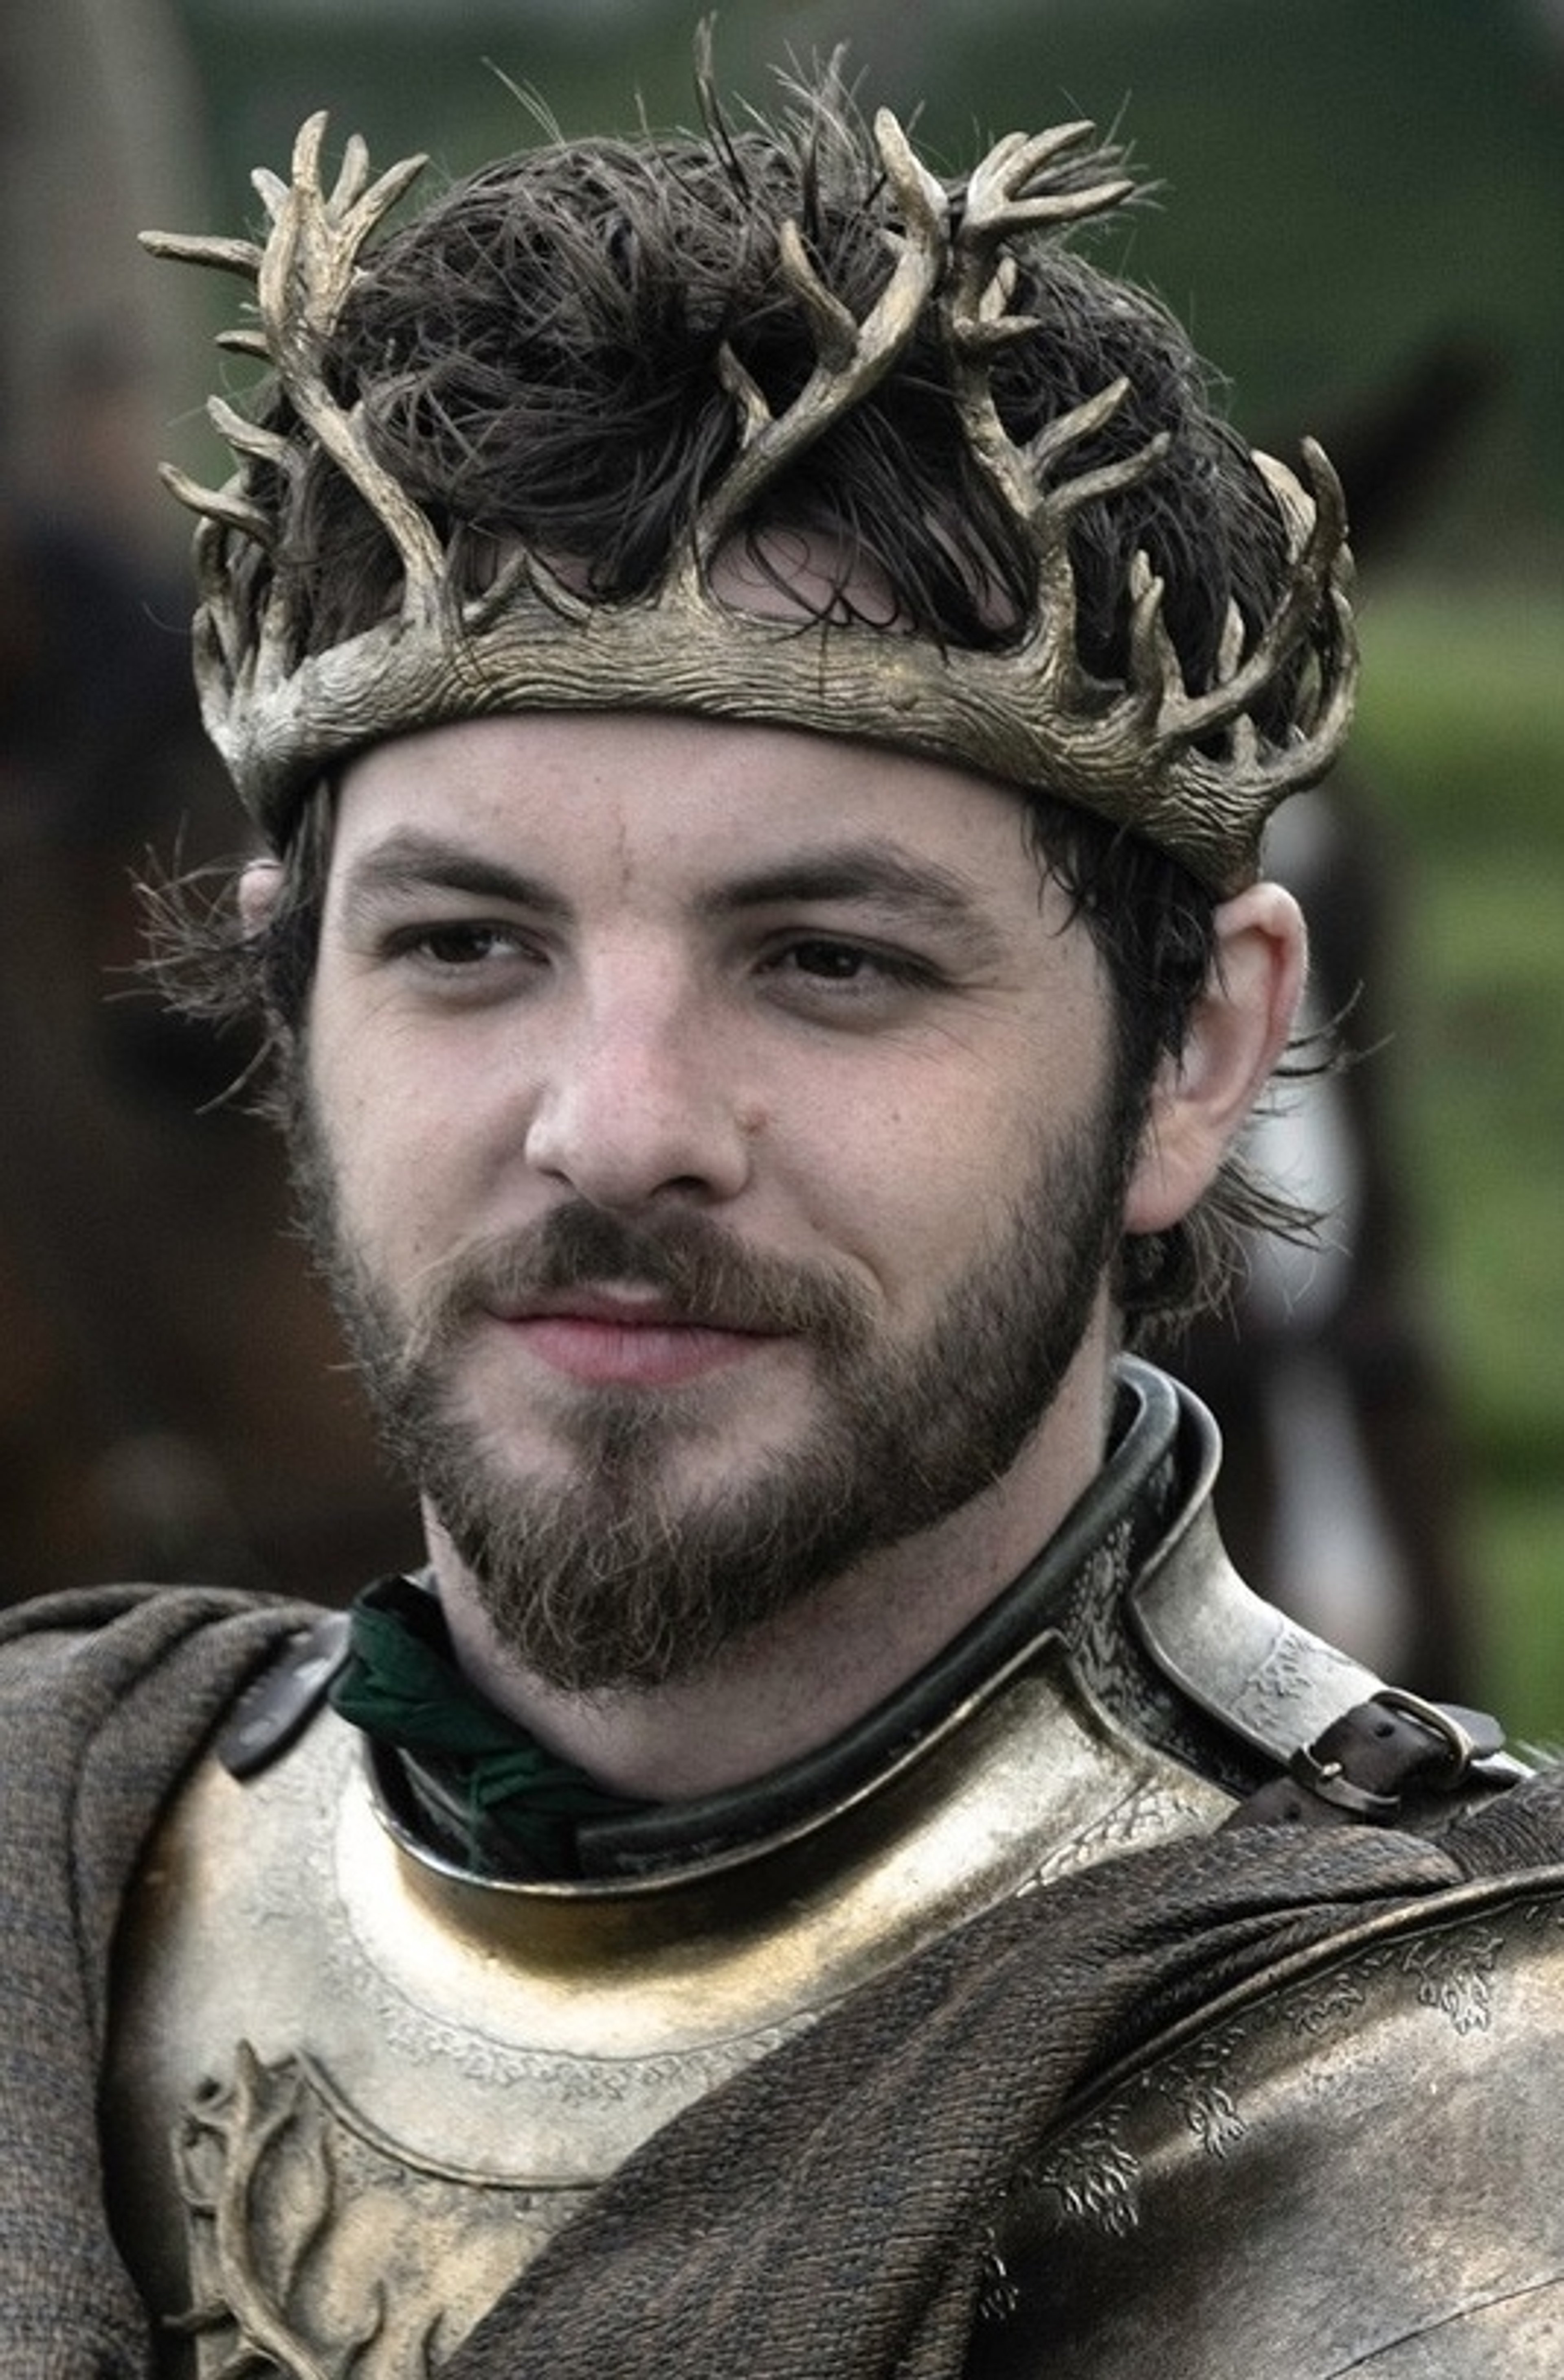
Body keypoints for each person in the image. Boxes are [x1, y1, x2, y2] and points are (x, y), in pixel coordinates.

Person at [3, 57, 1563, 2380]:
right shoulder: (49, 1875)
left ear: (1196, 1054)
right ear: (288, 989)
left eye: (831, 958)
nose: (618, 1129)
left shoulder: (1466, 2108)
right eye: (464, 945)